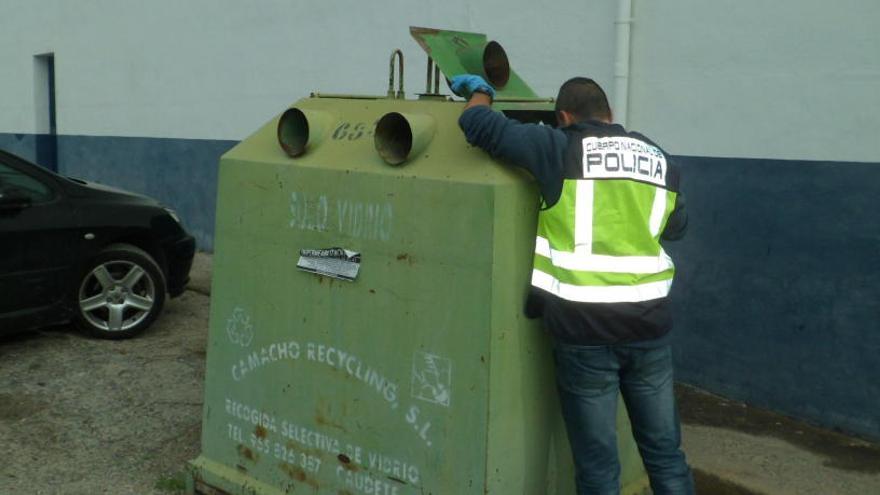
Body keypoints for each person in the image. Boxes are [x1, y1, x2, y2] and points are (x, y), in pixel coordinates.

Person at [450, 74, 694, 495]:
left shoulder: (559, 148)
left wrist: (481, 92)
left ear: (563, 117)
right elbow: (677, 227)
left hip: (585, 334)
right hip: (649, 330)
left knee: (599, 468)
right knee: (666, 456)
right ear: (610, 115)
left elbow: (478, 124)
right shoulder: (659, 159)